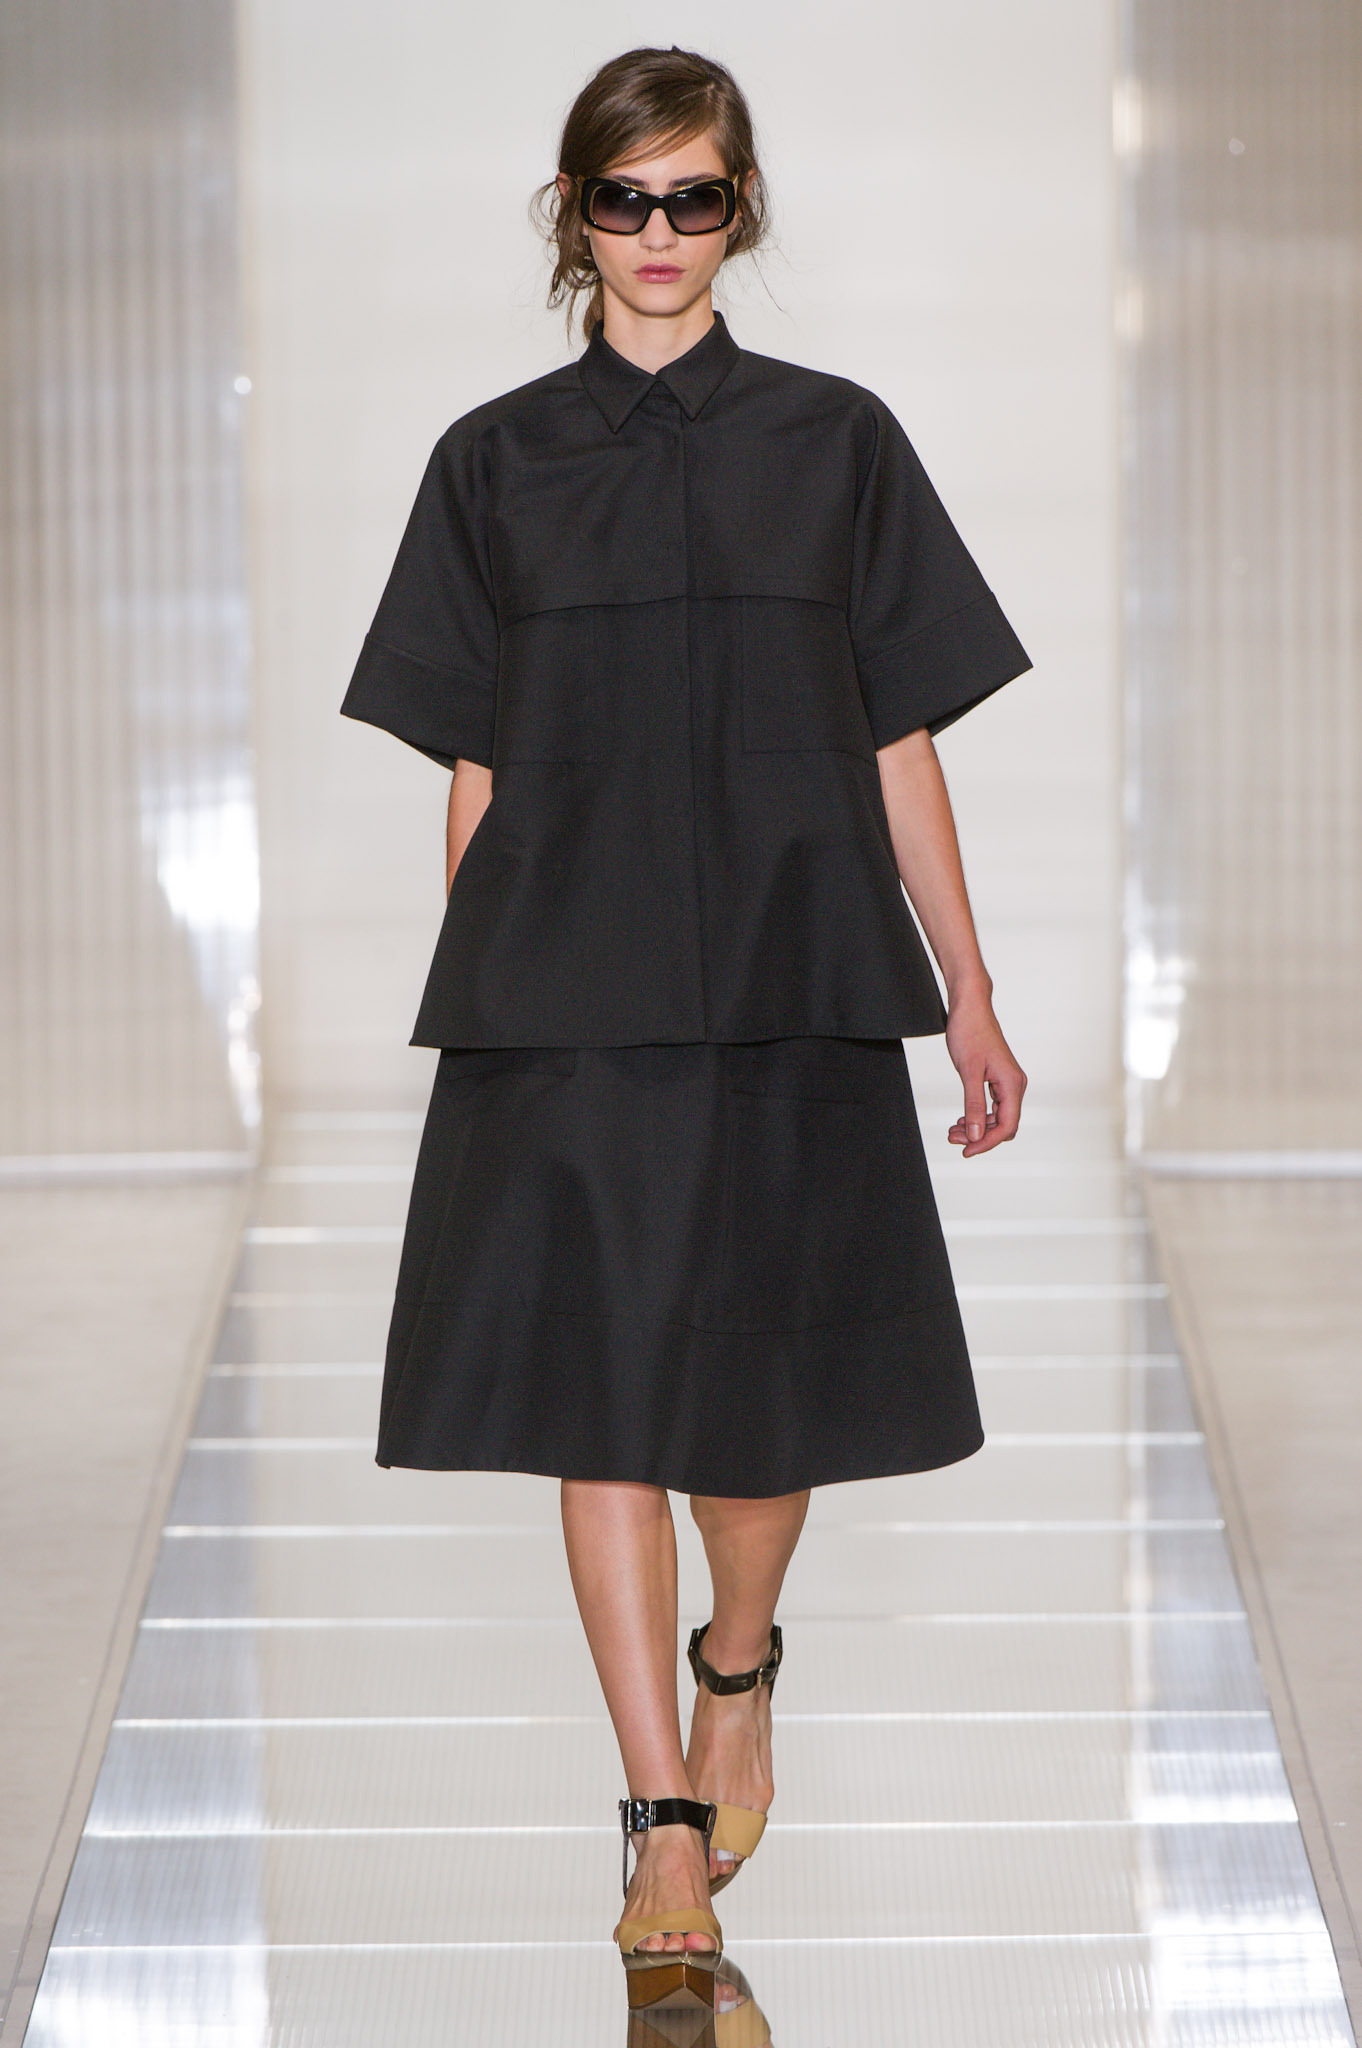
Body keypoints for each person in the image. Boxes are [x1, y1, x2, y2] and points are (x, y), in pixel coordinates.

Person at [341, 44, 1029, 2013]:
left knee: (756, 1402)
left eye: (695, 197)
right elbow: (473, 768)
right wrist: (490, 993)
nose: (659, 232)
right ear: (576, 216)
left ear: (740, 211)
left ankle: (741, 1663)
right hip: (570, 1002)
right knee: (602, 1403)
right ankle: (656, 1815)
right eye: (625, 199)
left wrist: (969, 984)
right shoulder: (494, 461)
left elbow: (897, 736)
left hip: (796, 983)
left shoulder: (837, 441)